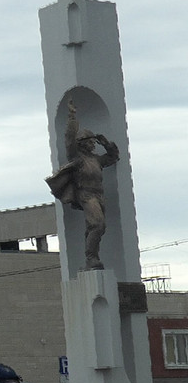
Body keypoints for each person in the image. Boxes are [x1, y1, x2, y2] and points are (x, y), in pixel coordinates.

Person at [46, 99, 119, 270]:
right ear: (83, 143)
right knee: (98, 224)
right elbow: (69, 140)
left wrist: (105, 143)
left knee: (97, 227)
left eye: (94, 141)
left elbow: (113, 157)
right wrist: (72, 116)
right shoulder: (77, 159)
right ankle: (91, 257)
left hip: (99, 195)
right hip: (86, 195)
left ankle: (91, 258)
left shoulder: (96, 160)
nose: (93, 144)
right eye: (90, 141)